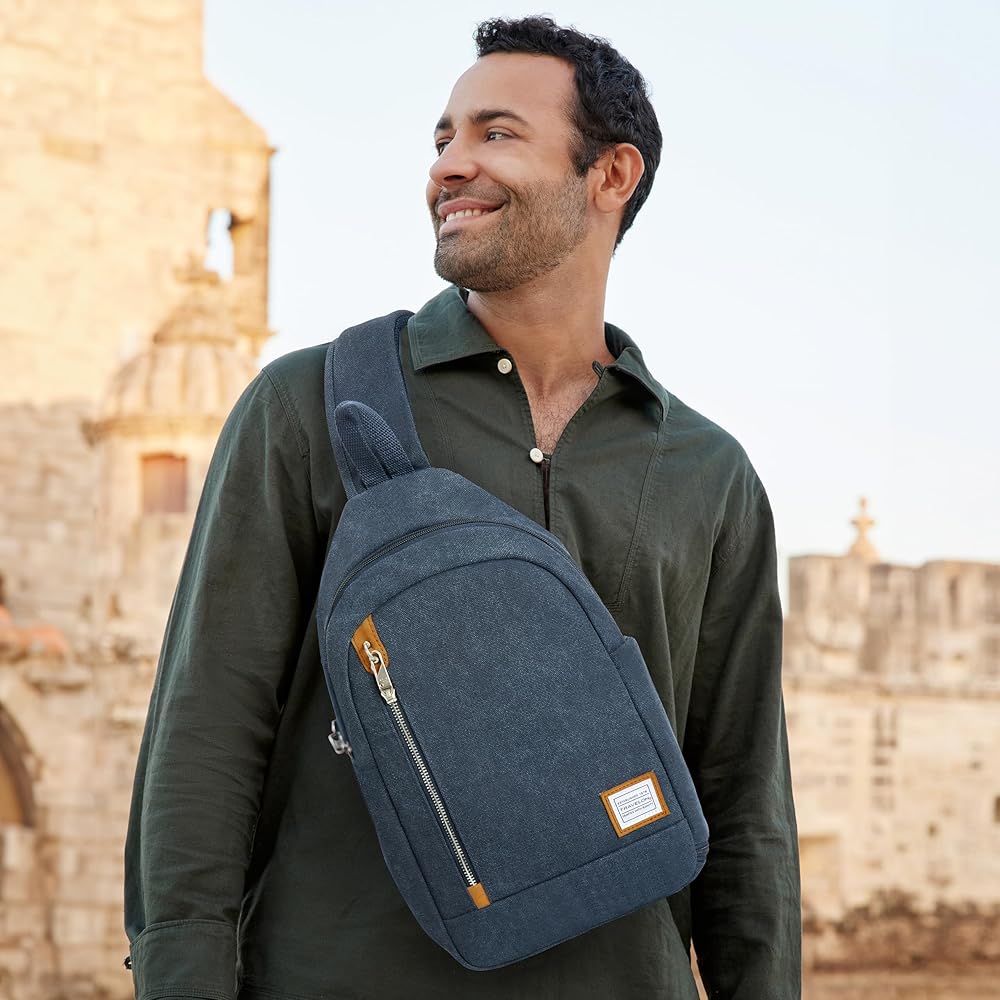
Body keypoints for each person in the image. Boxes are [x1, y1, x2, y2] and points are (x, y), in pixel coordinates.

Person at [124, 15, 801, 1000]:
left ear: (611, 175)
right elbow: (206, 737)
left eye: (496, 133)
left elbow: (744, 803)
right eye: (443, 138)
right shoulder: (308, 407)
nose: (449, 165)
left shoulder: (708, 474)